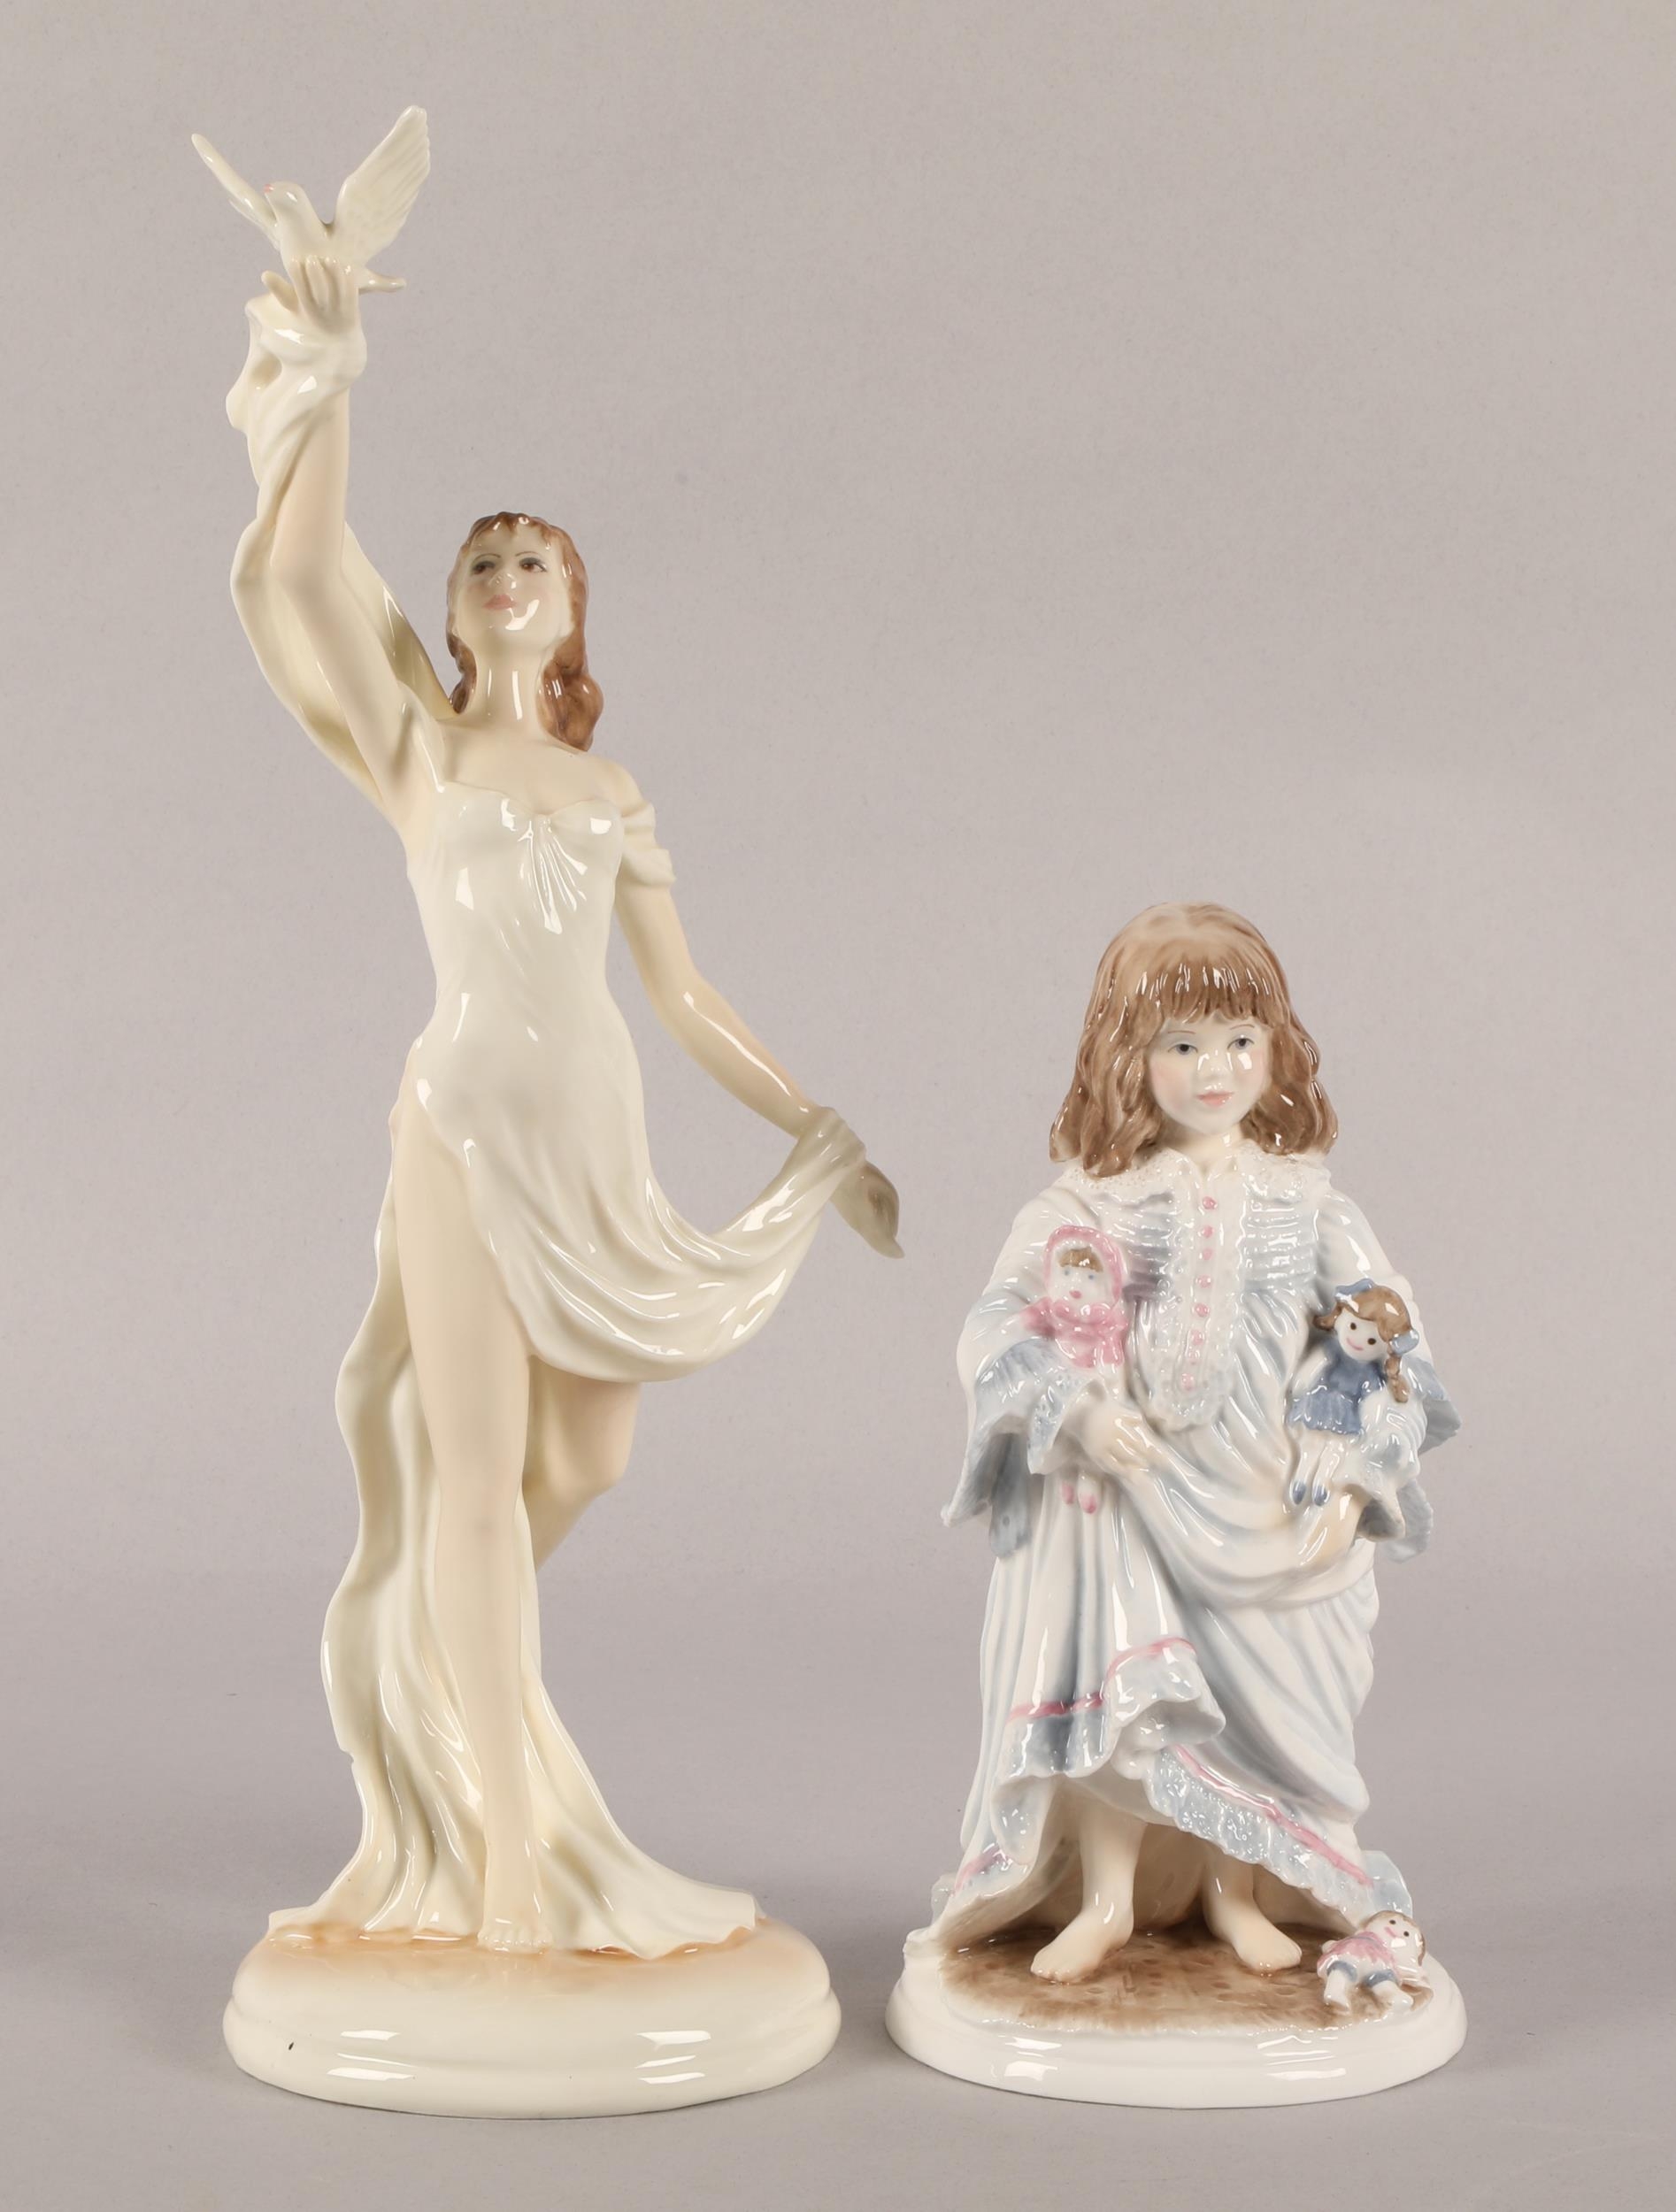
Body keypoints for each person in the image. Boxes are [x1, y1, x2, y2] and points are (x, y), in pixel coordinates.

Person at [221, 249, 900, 1955]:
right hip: (461, 1124)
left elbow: (685, 995)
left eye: (535, 560)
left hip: (592, 1138)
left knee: (585, 1458)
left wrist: (814, 1133)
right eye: (480, 560)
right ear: (451, 616)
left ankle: (434, 1657)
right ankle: (511, 1862)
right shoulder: (421, 752)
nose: (506, 572)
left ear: (571, 613)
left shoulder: (606, 788)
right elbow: (298, 565)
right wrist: (334, 374)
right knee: (469, 1477)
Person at [927, 902, 1457, 1983]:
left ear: (1276, 1048)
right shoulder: (1092, 1201)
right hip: (1135, 1488)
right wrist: (1075, 1410)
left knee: (1253, 1715)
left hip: (1272, 1496)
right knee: (1135, 1706)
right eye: (1180, 1045)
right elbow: (994, 1324)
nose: (1214, 1069)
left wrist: (1352, 1464)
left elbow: (1396, 1339)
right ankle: (1108, 1900)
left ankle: (1235, 1891)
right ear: (1127, 1056)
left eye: (1237, 1040)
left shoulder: (1307, 1203)